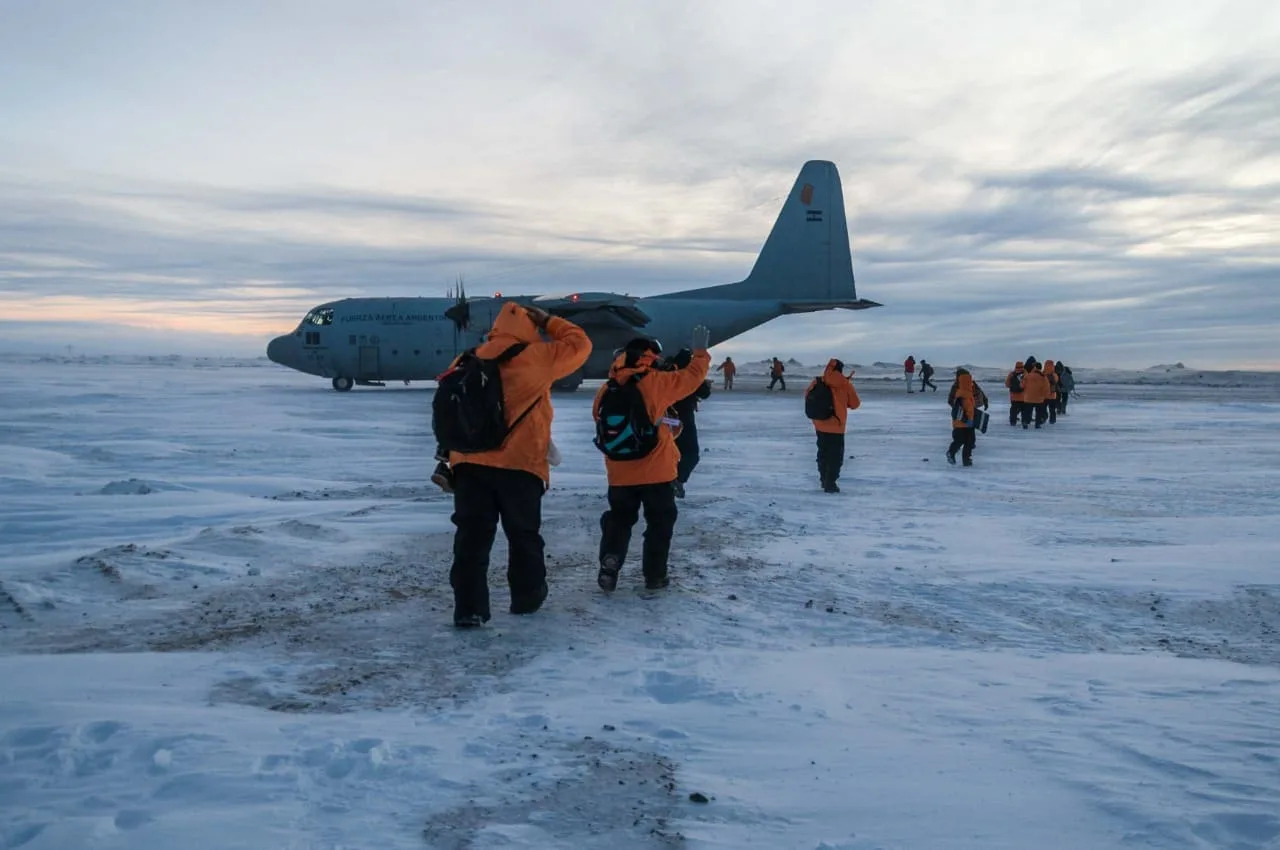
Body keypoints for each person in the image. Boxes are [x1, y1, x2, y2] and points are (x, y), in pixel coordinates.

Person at [442, 302, 592, 628]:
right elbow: (582, 345)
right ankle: (526, 598)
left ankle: (469, 609)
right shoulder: (537, 358)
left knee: (471, 538)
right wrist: (550, 322)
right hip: (520, 464)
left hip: (468, 463)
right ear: (528, 328)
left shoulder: (466, 359)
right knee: (523, 535)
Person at [596, 330, 712, 592]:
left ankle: (610, 558)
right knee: (659, 524)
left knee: (620, 519)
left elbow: (600, 421)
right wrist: (700, 353)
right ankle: (654, 575)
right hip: (657, 473)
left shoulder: (607, 388)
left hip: (619, 472)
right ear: (650, 357)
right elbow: (693, 377)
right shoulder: (657, 382)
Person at [805, 359, 861, 493]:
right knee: (835, 456)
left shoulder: (817, 381)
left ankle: (823, 479)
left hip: (820, 424)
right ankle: (831, 482)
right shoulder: (845, 384)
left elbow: (807, 396)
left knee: (822, 452)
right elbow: (855, 404)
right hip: (837, 426)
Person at [671, 354, 712, 498]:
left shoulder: (665, 372)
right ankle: (677, 480)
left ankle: (665, 482)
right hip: (683, 419)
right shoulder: (690, 376)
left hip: (662, 418)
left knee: (663, 454)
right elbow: (704, 393)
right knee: (691, 454)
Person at [946, 368, 978, 466]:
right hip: (963, 420)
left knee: (968, 441)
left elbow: (951, 401)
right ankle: (953, 454)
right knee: (964, 440)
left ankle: (965, 459)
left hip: (966, 420)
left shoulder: (962, 388)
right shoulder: (964, 389)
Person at [1022, 358, 1050, 429]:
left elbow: (1022, 385)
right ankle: (1037, 424)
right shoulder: (1043, 377)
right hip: (1039, 398)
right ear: (1040, 368)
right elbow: (1046, 387)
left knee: (1028, 411)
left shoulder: (1028, 376)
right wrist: (1045, 396)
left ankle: (1026, 422)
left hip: (1028, 397)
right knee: (1039, 412)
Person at [1005, 360, 1029, 428]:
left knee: (1014, 410)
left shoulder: (1012, 374)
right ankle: (1024, 422)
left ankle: (1013, 422)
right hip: (1023, 397)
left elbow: (1007, 384)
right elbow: (1027, 385)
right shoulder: (1025, 374)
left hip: (1014, 396)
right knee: (1024, 410)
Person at [1042, 359, 1059, 425]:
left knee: (1043, 408)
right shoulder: (1054, 374)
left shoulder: (1042, 374)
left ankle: (1044, 417)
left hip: (1044, 395)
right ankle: (1052, 420)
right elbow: (1056, 381)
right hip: (1052, 395)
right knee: (1052, 409)